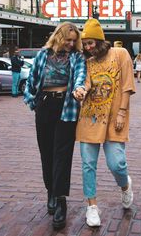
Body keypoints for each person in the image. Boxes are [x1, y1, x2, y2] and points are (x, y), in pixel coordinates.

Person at [23, 22, 86, 230]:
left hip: (66, 109)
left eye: (73, 40)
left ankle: (60, 201)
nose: (70, 43)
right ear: (59, 37)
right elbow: (31, 81)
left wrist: (78, 90)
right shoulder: (42, 55)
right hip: (44, 107)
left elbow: (79, 76)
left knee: (62, 156)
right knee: (46, 154)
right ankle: (50, 191)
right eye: (68, 39)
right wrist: (34, 103)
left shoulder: (77, 57)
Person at [76, 19, 136, 227]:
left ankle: (125, 185)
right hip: (90, 118)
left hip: (114, 119)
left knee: (117, 163)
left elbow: (128, 86)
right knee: (87, 165)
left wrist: (121, 113)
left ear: (100, 40)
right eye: (85, 44)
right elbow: (85, 84)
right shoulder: (87, 63)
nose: (88, 47)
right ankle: (92, 207)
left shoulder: (121, 54)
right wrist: (80, 91)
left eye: (91, 43)